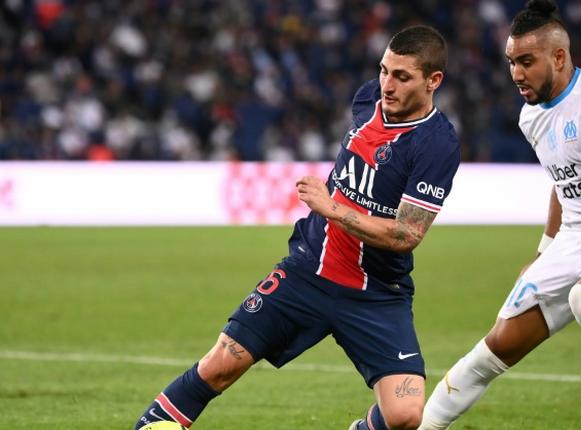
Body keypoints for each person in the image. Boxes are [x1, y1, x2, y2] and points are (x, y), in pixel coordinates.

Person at [133, 25, 460, 430]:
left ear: (434, 81)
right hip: (308, 271)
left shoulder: (437, 145)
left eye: (402, 76)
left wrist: (333, 207)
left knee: (406, 416)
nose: (386, 85)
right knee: (219, 365)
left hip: (375, 293)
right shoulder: (368, 100)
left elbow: (406, 235)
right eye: (383, 70)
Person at [418, 1, 581, 429]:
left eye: (526, 61)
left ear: (558, 56)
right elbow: (562, 179)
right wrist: (545, 249)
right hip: (574, 242)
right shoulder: (530, 117)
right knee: (490, 351)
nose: (516, 73)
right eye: (511, 63)